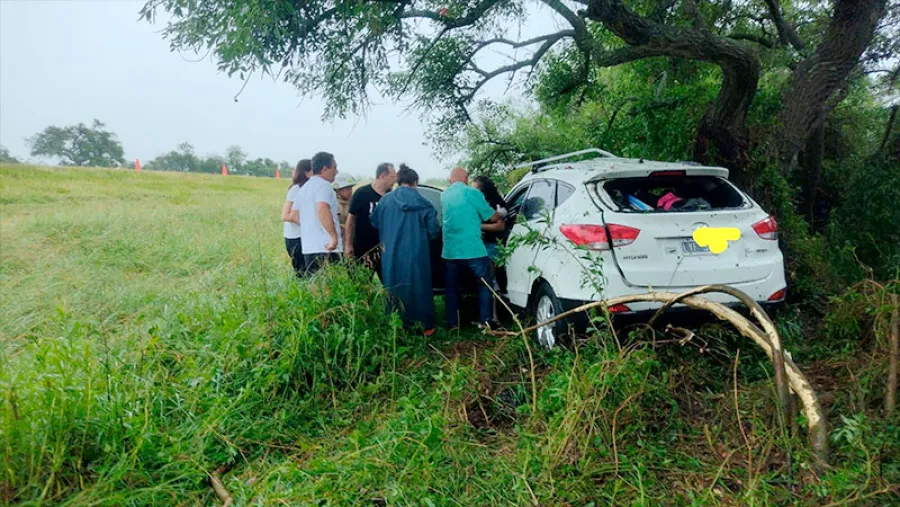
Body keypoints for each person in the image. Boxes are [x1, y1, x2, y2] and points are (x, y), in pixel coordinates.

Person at [371, 164, 440, 335]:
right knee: (420, 287)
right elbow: (434, 231)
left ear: (398, 181)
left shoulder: (385, 201)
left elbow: (375, 223)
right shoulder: (425, 204)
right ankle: (425, 326)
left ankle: (396, 325)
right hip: (418, 254)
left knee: (394, 287)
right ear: (415, 182)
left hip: (391, 254)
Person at [441, 167, 502, 329]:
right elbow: (491, 216)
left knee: (452, 288)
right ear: (466, 179)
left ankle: (452, 323)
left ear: (450, 180)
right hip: (473, 249)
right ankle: (486, 320)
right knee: (485, 284)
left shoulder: (444, 195)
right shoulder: (472, 193)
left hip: (450, 251)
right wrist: (499, 218)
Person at [294, 151, 342, 274]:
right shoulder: (324, 186)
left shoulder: (304, 188)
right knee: (332, 282)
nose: (336, 172)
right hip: (326, 247)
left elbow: (295, 215)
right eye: (334, 168)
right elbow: (322, 208)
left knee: (315, 283)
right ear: (325, 169)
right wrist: (333, 237)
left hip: (309, 247)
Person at [345, 163, 397, 274]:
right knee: (361, 279)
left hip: (384, 248)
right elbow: (351, 220)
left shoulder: (392, 197)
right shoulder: (361, 194)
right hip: (363, 248)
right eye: (392, 177)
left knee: (388, 280)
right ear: (383, 176)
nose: (395, 180)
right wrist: (348, 244)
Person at [281, 159, 311, 276]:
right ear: (307, 173)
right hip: (295, 237)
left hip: (305, 236)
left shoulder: (309, 188)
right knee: (302, 272)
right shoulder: (296, 189)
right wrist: (308, 225)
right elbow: (285, 215)